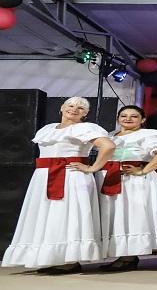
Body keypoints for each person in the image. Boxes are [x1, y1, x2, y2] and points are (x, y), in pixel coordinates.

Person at [2, 97, 115, 274]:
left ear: (85, 113)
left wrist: (93, 167)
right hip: (43, 176)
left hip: (71, 176)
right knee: (46, 215)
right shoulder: (47, 129)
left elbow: (107, 146)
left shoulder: (85, 128)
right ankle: (52, 257)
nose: (74, 109)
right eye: (70, 105)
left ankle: (69, 260)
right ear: (62, 108)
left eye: (80, 108)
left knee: (68, 214)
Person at [96, 106, 157, 272]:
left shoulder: (147, 134)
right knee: (114, 215)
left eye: (134, 116)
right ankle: (120, 253)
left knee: (131, 214)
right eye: (123, 115)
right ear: (118, 118)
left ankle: (129, 257)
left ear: (143, 119)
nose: (128, 119)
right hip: (110, 177)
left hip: (133, 180)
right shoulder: (110, 136)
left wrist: (143, 170)